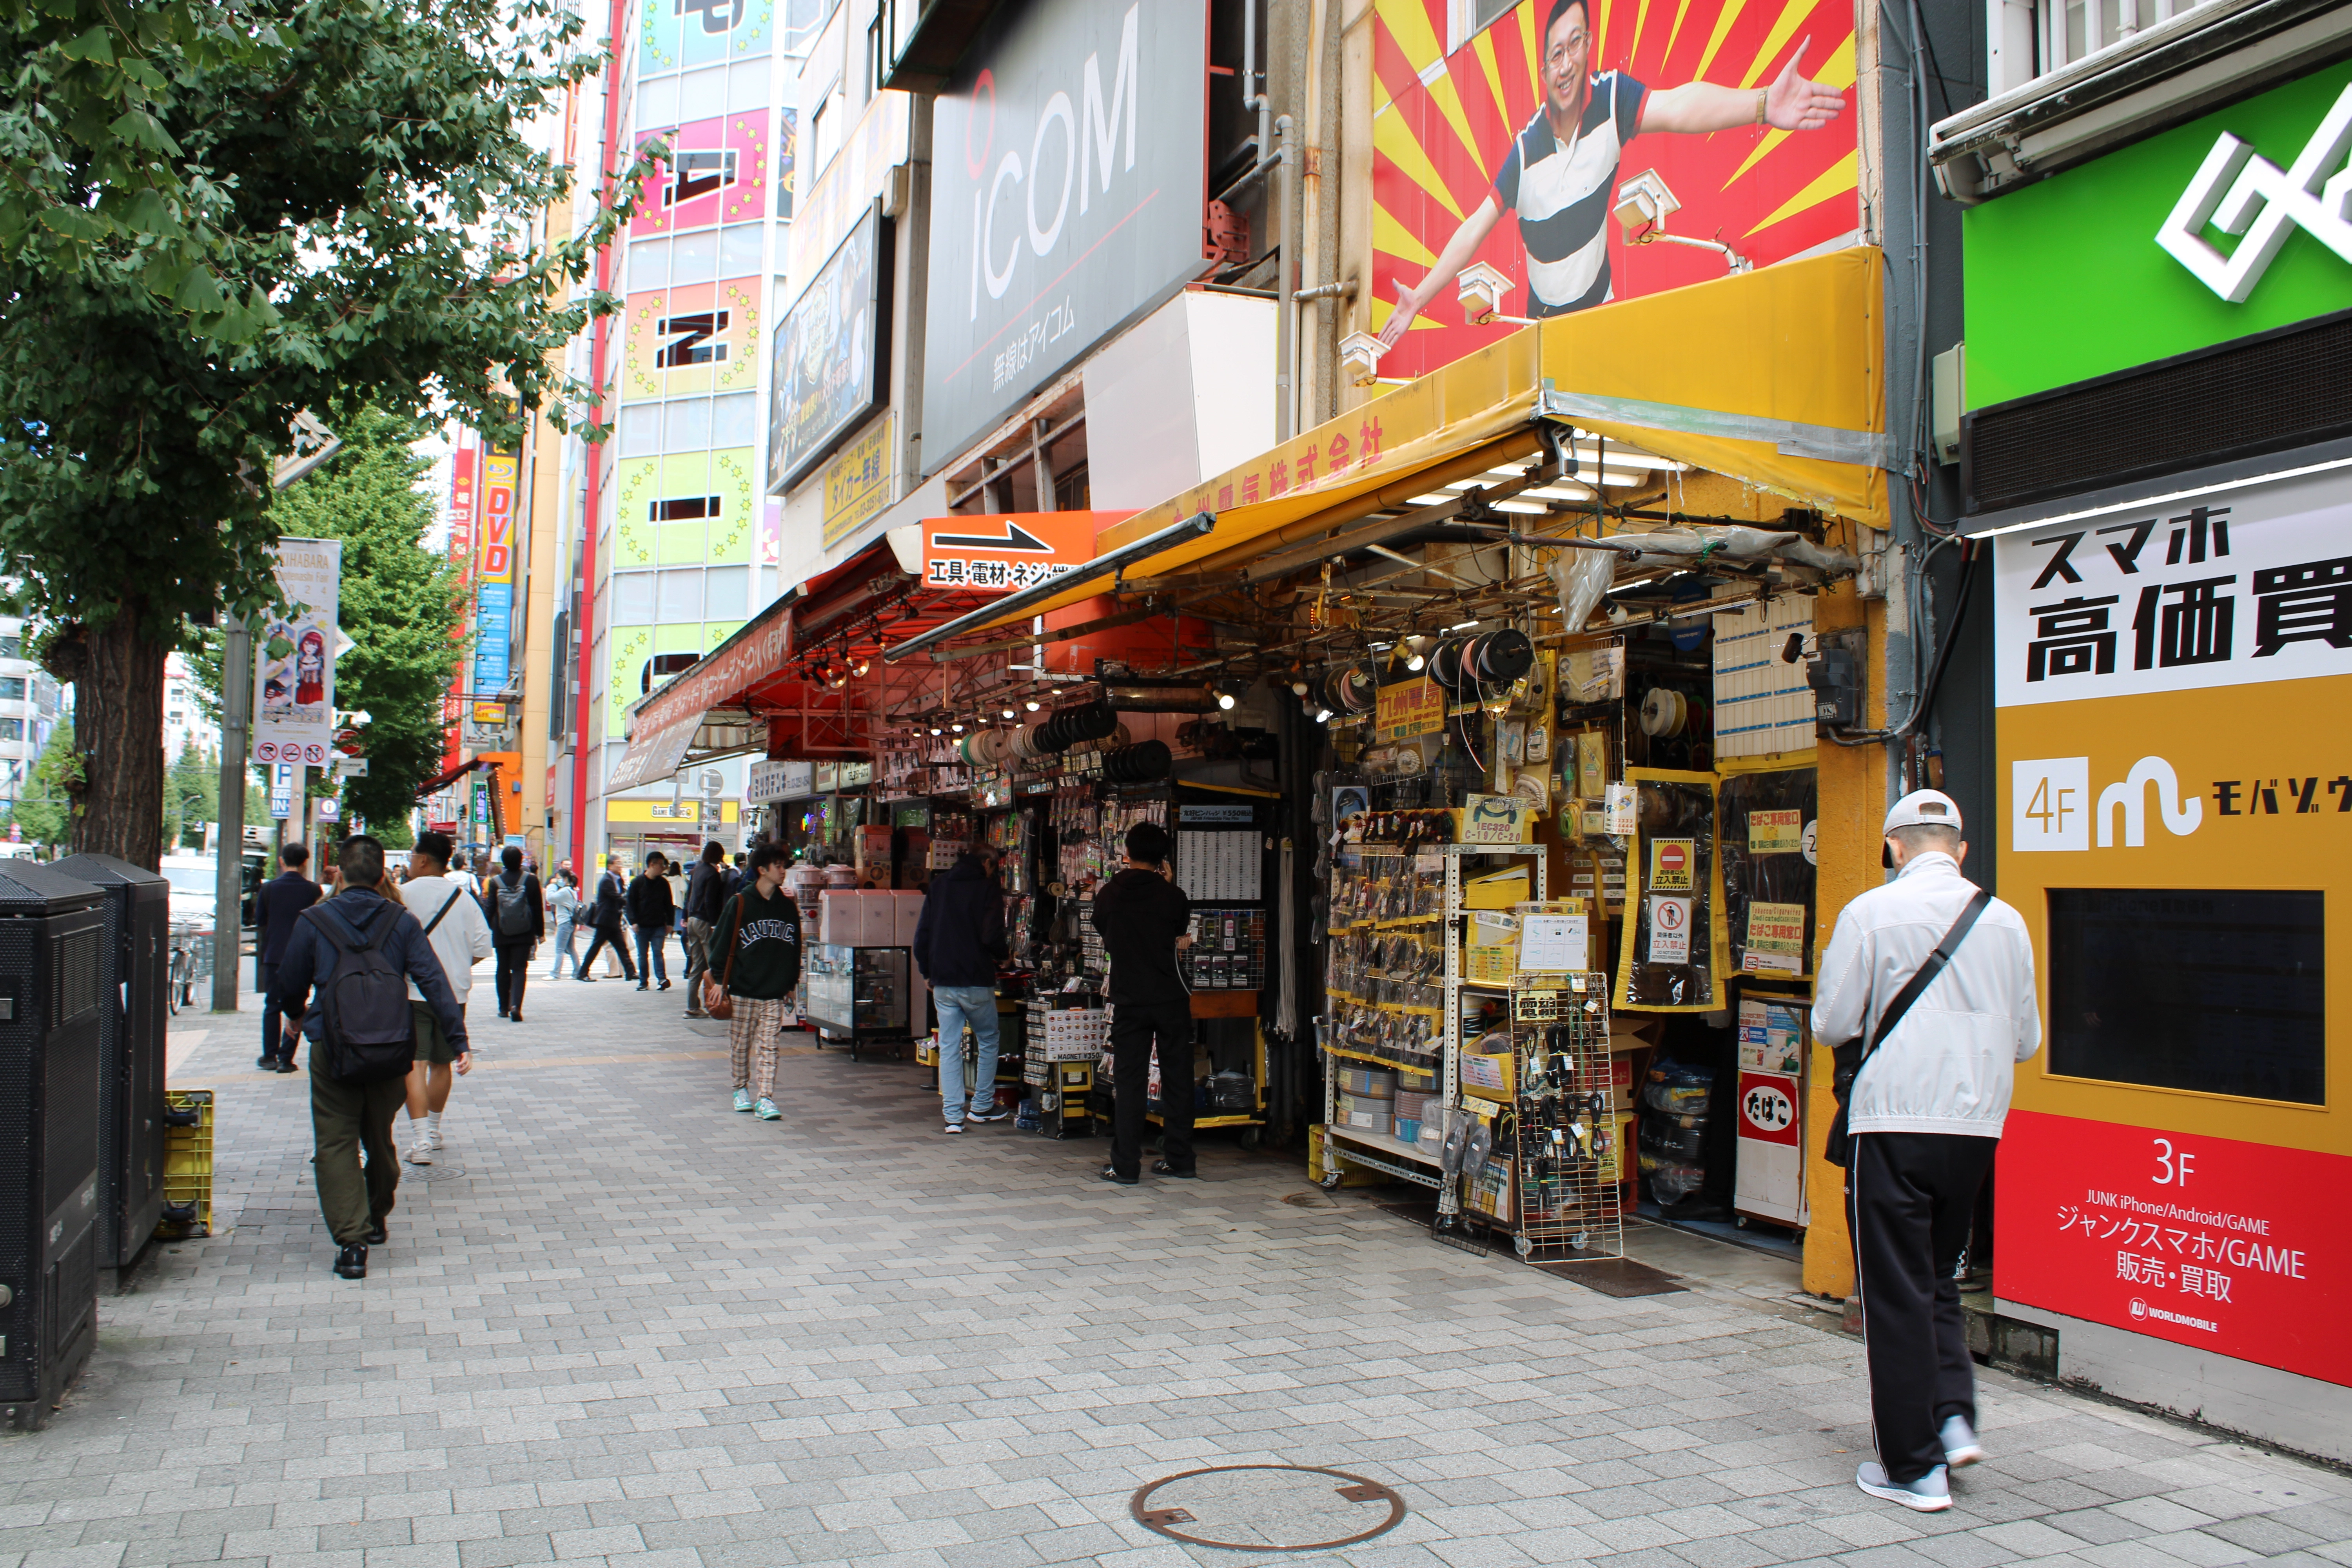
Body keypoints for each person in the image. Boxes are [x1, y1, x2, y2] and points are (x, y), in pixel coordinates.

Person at [1813, 789, 2040, 1514]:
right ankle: (1951, 1417)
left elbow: (1831, 1021)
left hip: (1894, 1122)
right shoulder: (2005, 921)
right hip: (1976, 1128)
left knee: (1895, 1292)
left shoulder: (1869, 914)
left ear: (1893, 847)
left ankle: (1914, 1468)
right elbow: (2028, 1039)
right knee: (1939, 1275)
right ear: (1961, 850)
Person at [1376, 0, 1846, 344]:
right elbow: (1474, 228)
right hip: (1540, 332)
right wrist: (1419, 296)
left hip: (1599, 320)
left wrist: (1762, 104)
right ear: (1544, 71)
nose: (1567, 64)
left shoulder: (1610, 99)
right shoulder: (1525, 150)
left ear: (1590, 47)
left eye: (1576, 44)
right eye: (1556, 54)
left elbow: (1680, 104)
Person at [270, 835, 469, 1279]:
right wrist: (457, 1039)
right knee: (378, 1134)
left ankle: (352, 1243)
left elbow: (289, 982)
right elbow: (434, 980)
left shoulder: (315, 920)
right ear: (383, 874)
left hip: (333, 1046)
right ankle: (377, 1213)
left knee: (336, 1140)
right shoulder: (401, 921)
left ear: (338, 873)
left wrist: (298, 1016)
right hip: (391, 1045)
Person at [1090, 822, 1196, 1185]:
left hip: (1129, 998)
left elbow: (1102, 930)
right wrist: (1166, 887)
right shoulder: (1173, 896)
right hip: (1170, 996)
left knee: (1129, 1079)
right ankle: (1181, 1159)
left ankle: (1125, 1166)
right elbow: (1177, 929)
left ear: (1128, 852)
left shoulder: (1108, 895)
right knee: (1178, 1076)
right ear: (1163, 858)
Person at [396, 831, 493, 1165]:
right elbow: (483, 947)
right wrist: (456, 965)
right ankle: (434, 1132)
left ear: (424, 859)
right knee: (442, 1063)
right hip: (454, 992)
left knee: (415, 1063)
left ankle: (420, 1139)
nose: (410, 862)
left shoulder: (401, 895)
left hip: (412, 993)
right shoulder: (464, 899)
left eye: (412, 856)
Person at [914, 848, 1009, 1133]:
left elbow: (923, 934)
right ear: (986, 863)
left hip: (944, 980)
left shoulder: (939, 886)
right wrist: (1004, 956)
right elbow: (991, 933)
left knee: (950, 1046)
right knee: (989, 1039)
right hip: (976, 978)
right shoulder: (987, 888)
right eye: (994, 866)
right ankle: (981, 1106)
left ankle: (953, 1116)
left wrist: (926, 971)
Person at [707, 841, 803, 1120]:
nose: (783, 871)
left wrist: (790, 985)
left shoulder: (787, 908)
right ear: (762, 870)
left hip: (774, 992)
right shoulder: (740, 903)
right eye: (779, 866)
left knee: (769, 1046)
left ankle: (765, 1098)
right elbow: (720, 945)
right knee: (741, 1045)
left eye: (784, 866)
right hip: (742, 990)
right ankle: (740, 1089)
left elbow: (794, 948)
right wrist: (717, 982)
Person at [253, 842, 320, 1072]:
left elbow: (261, 920)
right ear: (305, 863)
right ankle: (286, 1058)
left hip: (274, 954)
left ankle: (269, 1056)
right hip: (303, 957)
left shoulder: (269, 889)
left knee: (272, 1005)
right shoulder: (313, 890)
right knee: (297, 1005)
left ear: (282, 861)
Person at [486, 845, 544, 1022]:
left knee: (502, 969)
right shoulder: (531, 880)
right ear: (521, 861)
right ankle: (516, 1006)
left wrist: (491, 927)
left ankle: (503, 1008)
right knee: (519, 969)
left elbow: (490, 909)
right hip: (524, 932)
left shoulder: (495, 882)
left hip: (502, 932)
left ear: (503, 861)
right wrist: (540, 933)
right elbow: (537, 908)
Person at [681, 840, 728, 1018]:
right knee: (714, 963)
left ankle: (692, 1007)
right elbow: (710, 901)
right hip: (704, 921)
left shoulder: (698, 870)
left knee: (697, 965)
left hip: (692, 919)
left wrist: (685, 916)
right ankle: (720, 1004)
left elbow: (689, 894)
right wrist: (715, 924)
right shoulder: (713, 874)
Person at [578, 857, 637, 982]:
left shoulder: (619, 879)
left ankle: (631, 972)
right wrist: (628, 901)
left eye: (621, 863)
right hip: (605, 921)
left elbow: (621, 895)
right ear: (610, 866)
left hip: (614, 920)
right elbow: (616, 897)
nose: (620, 866)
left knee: (622, 948)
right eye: (618, 864)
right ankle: (582, 973)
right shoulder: (606, 881)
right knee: (596, 947)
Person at [628, 851, 677, 990]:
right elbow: (630, 904)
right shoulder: (637, 883)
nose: (663, 868)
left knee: (658, 952)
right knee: (643, 955)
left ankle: (662, 979)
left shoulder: (663, 883)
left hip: (658, 925)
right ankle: (644, 982)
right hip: (642, 926)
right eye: (661, 865)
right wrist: (634, 922)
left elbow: (669, 904)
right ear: (652, 865)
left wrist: (670, 923)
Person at [545, 869, 582, 978]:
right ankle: (577, 972)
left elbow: (550, 898)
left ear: (565, 879)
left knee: (560, 949)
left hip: (564, 923)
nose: (557, 880)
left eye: (559, 878)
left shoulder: (565, 891)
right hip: (570, 923)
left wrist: (552, 885)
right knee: (571, 949)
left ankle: (556, 973)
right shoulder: (571, 890)